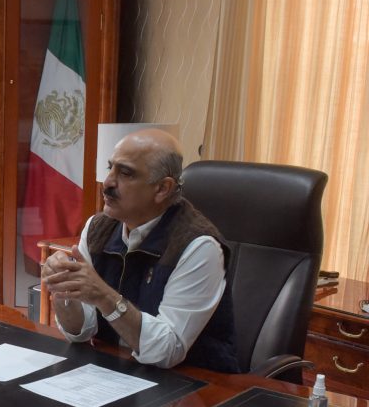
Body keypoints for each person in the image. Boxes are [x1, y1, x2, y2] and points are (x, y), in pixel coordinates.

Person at [41, 129, 239, 372]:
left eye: (125, 173)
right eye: (110, 168)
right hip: (115, 371)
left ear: (162, 188)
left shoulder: (199, 246)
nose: (108, 182)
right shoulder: (98, 228)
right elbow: (82, 331)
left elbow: (167, 351)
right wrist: (64, 291)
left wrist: (104, 296)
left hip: (194, 382)